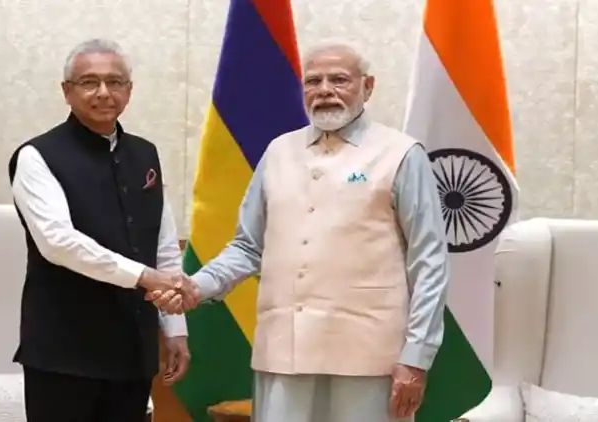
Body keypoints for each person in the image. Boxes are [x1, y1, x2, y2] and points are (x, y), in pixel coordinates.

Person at [151, 41, 450, 422]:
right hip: (283, 354)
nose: (325, 90)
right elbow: (247, 247)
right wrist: (198, 285)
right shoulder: (278, 152)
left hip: (370, 357)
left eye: (339, 79)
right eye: (314, 81)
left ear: (367, 86)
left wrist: (417, 357)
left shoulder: (402, 153)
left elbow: (429, 263)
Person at [8, 38, 193, 422]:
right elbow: (58, 243)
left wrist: (175, 329)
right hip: (64, 354)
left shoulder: (145, 154)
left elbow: (162, 245)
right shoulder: (37, 156)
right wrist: (146, 278)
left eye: (115, 82)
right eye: (89, 82)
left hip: (132, 351)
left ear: (129, 90)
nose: (104, 93)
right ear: (67, 92)